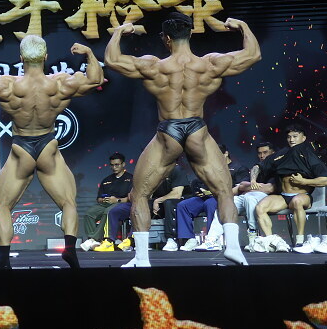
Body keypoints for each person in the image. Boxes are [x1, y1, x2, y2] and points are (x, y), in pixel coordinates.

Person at [104, 14, 260, 266]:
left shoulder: (154, 66)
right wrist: (243, 26)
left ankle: (141, 258)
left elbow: (112, 60)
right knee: (223, 191)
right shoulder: (210, 64)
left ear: (166, 39)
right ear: (190, 33)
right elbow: (252, 54)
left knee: (140, 194)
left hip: (169, 131)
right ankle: (233, 248)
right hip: (197, 129)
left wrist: (120, 32)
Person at [0, 37, 104, 269]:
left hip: (22, 148)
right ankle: (70, 250)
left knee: (4, 206)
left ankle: (4, 261)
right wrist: (89, 54)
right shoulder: (60, 83)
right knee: (68, 202)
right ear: (46, 57)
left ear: (21, 58)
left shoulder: (8, 85)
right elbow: (95, 79)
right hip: (48, 146)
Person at [254, 124, 327, 253]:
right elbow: (258, 167)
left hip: (302, 197)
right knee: (260, 207)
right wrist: (252, 180)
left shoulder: (309, 155)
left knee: (296, 201)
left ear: (303, 138)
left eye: (295, 136)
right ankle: (272, 241)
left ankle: (300, 241)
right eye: (289, 137)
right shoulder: (281, 154)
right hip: (283, 197)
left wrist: (304, 181)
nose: (291, 139)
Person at [173, 144, 249, 251]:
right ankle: (190, 239)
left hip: (223, 198)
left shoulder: (239, 168)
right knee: (183, 206)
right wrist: (200, 191)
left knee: (210, 204)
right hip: (207, 196)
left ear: (226, 153)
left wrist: (219, 193)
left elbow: (241, 187)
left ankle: (212, 240)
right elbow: (201, 184)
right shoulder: (211, 169)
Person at [79, 153, 133, 251]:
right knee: (89, 213)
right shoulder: (106, 180)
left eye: (117, 165)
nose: (114, 167)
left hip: (122, 204)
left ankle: (94, 239)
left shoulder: (130, 178)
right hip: (106, 204)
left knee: (108, 212)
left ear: (123, 164)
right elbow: (98, 198)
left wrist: (117, 200)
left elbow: (132, 198)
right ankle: (94, 241)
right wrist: (103, 200)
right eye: (112, 165)